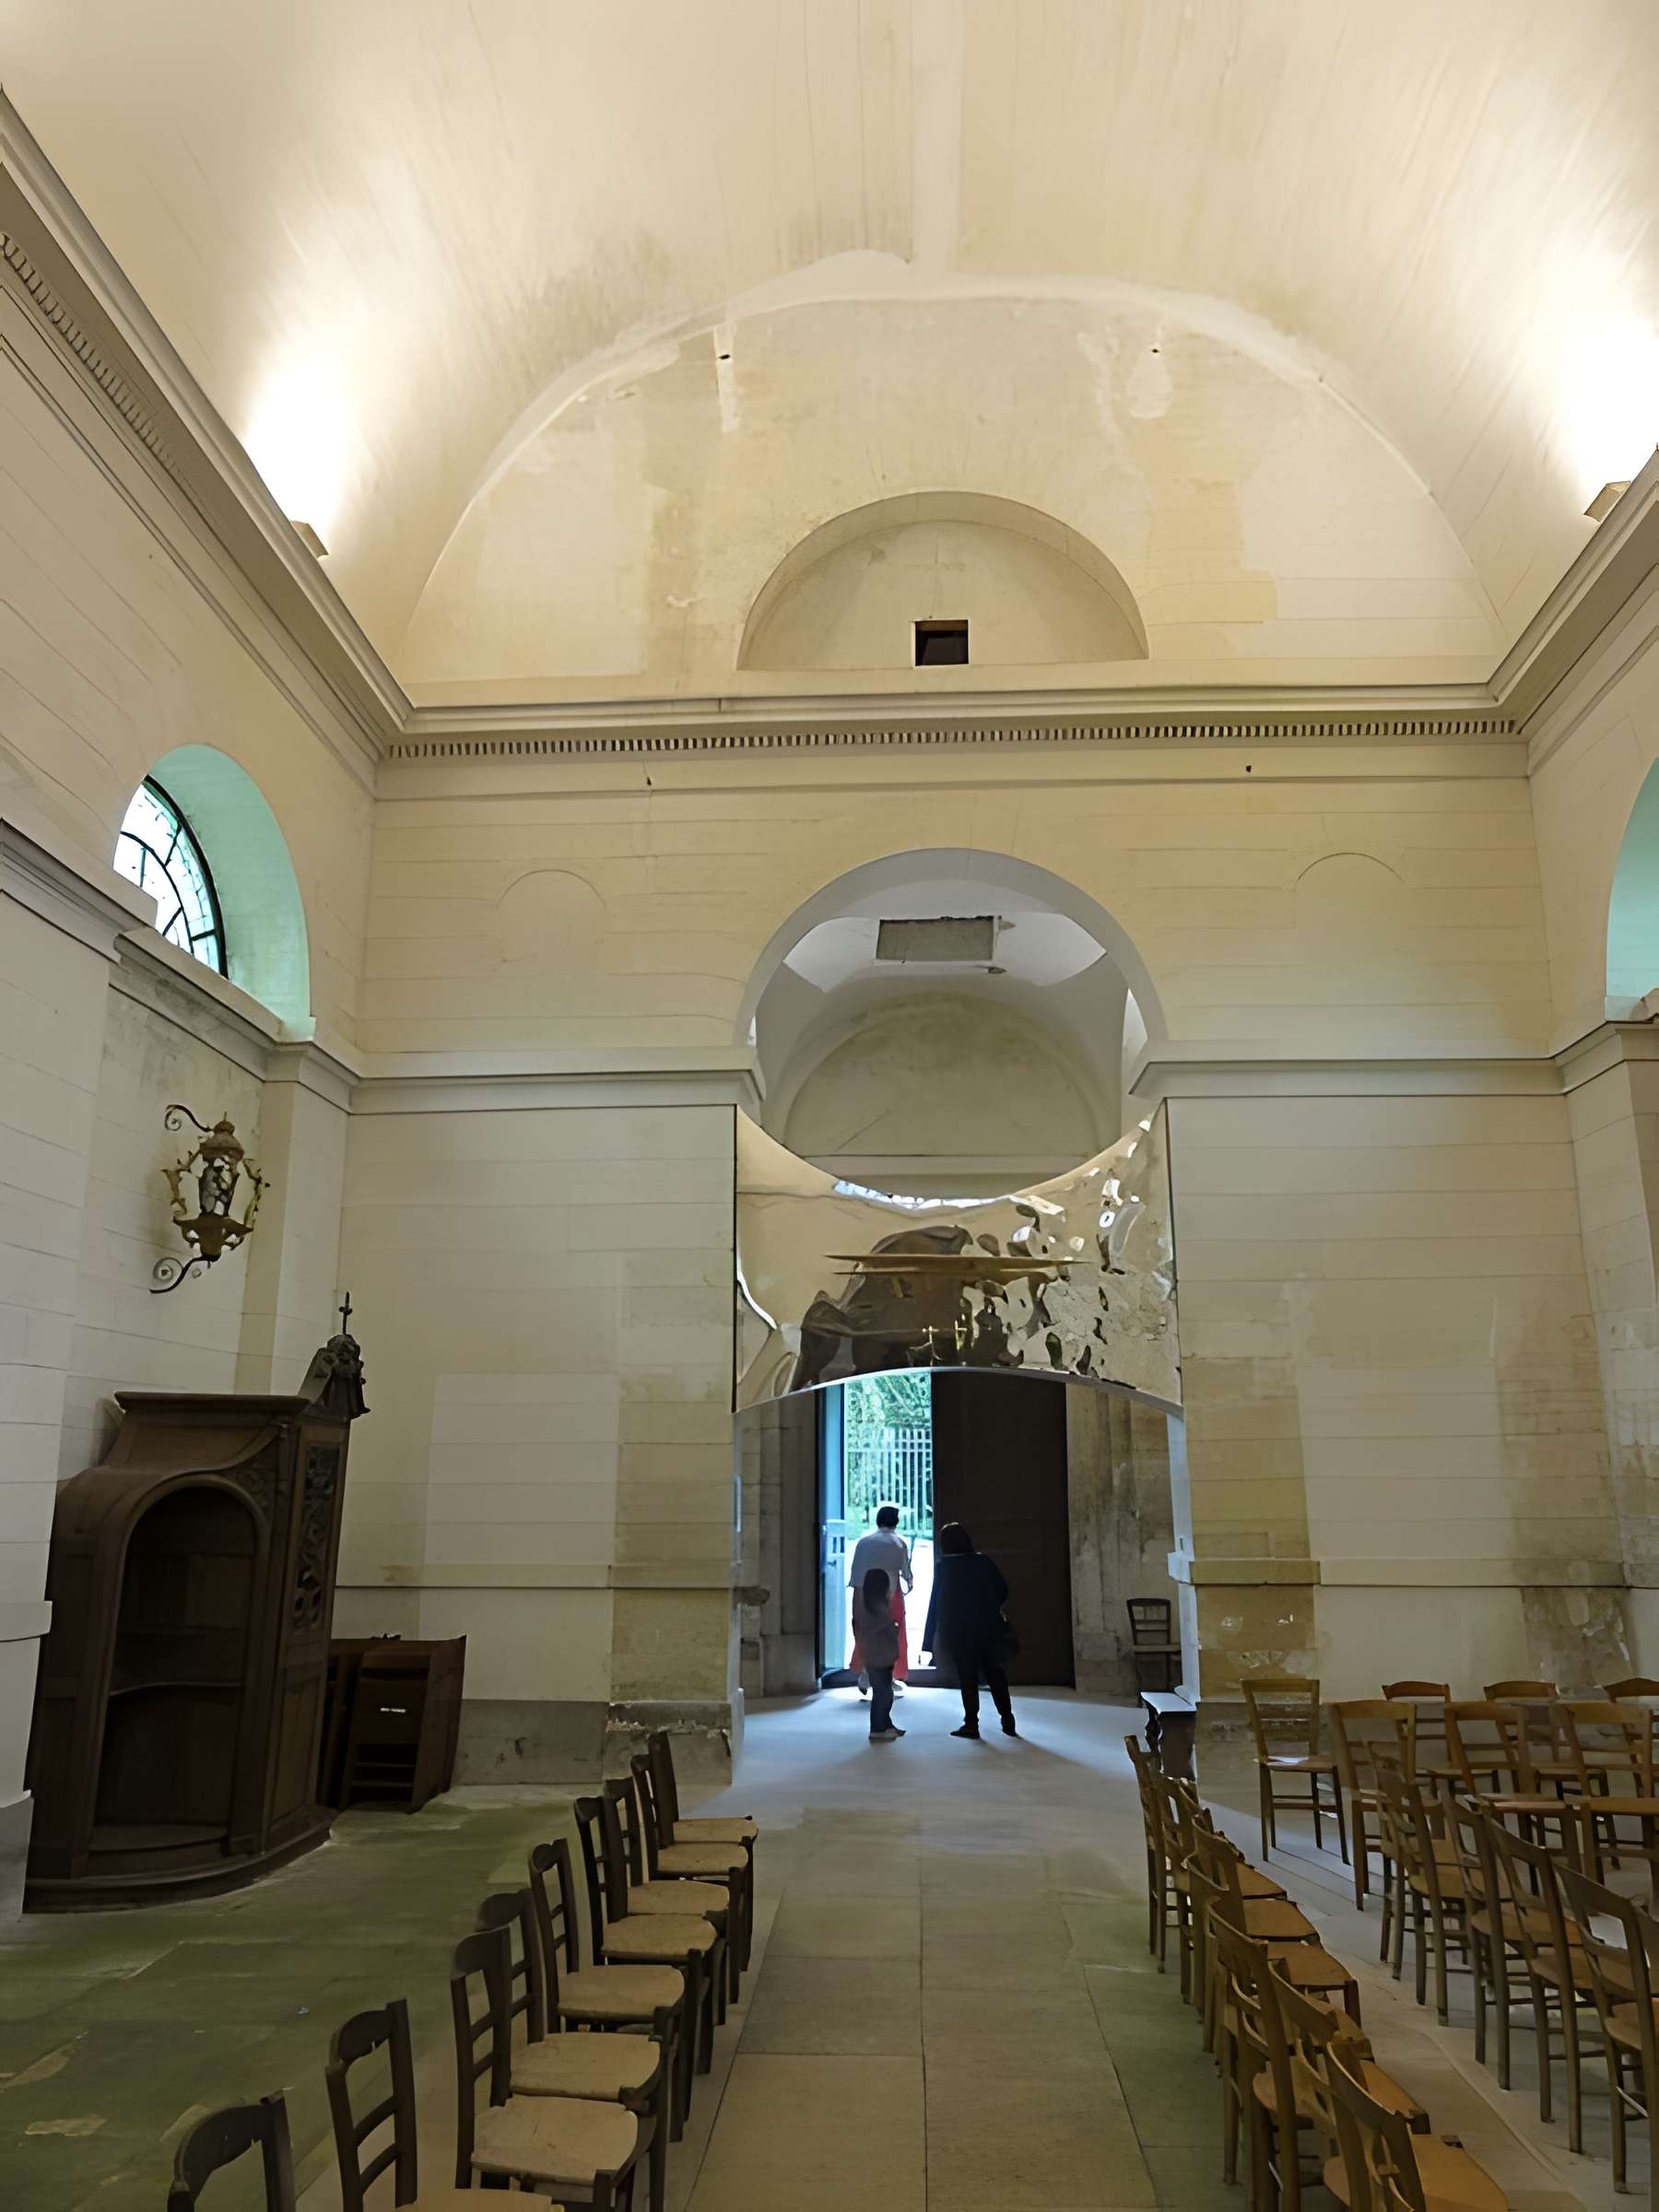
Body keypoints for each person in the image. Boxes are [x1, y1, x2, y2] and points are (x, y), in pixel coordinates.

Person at [922, 1521, 1017, 1739]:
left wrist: (932, 1637)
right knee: (995, 1674)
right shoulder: (983, 1561)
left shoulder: (944, 1568)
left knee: (968, 1677)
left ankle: (971, 1724)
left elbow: (937, 1603)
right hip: (988, 1627)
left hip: (960, 1631)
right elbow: (1003, 1590)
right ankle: (1008, 1719)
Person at [848, 1502, 913, 1695]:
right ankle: (889, 1676)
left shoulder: (864, 1541)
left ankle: (865, 1671)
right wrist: (910, 1581)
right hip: (889, 1592)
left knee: (864, 1631)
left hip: (861, 1591)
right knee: (892, 1634)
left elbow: (855, 1569)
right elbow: (905, 1570)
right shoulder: (899, 1543)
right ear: (896, 1522)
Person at [853, 1567, 904, 1742]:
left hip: (879, 1656)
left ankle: (886, 1724)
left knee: (885, 1692)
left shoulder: (870, 1605)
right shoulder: (874, 1609)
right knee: (882, 1694)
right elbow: (879, 1630)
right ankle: (877, 1728)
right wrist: (893, 1629)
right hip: (879, 1657)